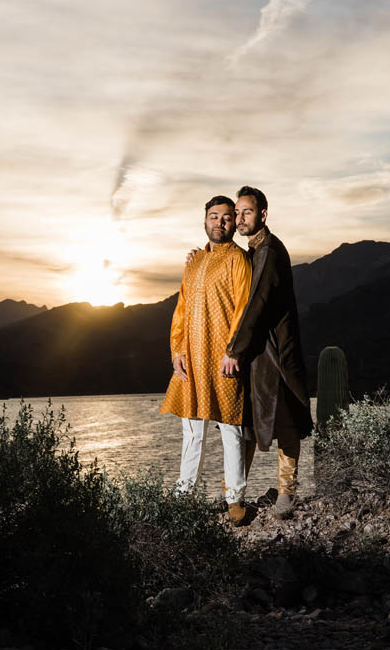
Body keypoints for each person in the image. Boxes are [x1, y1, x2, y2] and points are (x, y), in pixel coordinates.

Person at [219, 185, 314, 520]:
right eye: (238, 213)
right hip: (258, 354)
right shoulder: (253, 251)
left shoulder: (269, 250)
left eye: (247, 211)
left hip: (276, 352)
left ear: (263, 214)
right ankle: (233, 493)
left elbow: (257, 304)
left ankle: (287, 493)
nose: (241, 218)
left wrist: (234, 350)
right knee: (244, 422)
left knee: (285, 421)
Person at [160, 195, 253, 525]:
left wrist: (234, 351)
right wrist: (177, 351)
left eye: (227, 217)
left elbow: (244, 309)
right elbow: (182, 309)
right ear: (204, 221)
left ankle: (235, 499)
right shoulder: (194, 261)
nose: (220, 222)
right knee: (193, 434)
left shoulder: (238, 260)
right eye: (214, 217)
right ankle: (183, 497)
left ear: (233, 223)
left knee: (231, 431)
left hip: (224, 360)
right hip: (192, 362)